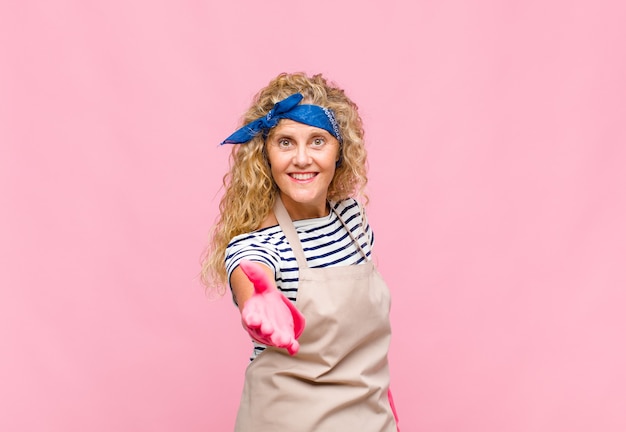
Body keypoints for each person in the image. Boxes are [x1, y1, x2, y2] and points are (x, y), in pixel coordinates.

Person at [201, 72, 399, 431]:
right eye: (286, 142)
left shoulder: (352, 221)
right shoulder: (257, 244)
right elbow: (249, 274)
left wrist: (384, 406)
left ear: (340, 152)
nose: (302, 158)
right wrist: (258, 303)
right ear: (266, 154)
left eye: (318, 141)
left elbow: (363, 346)